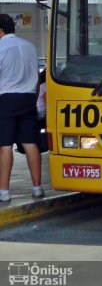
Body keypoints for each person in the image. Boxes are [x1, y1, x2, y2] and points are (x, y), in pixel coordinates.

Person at [0, 14, 43, 201]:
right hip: (28, 99)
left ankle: (4, 192)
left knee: (5, 146)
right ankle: (37, 187)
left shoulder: (0, 48)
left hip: (6, 100)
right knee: (29, 143)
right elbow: (36, 78)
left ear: (0, 30)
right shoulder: (31, 47)